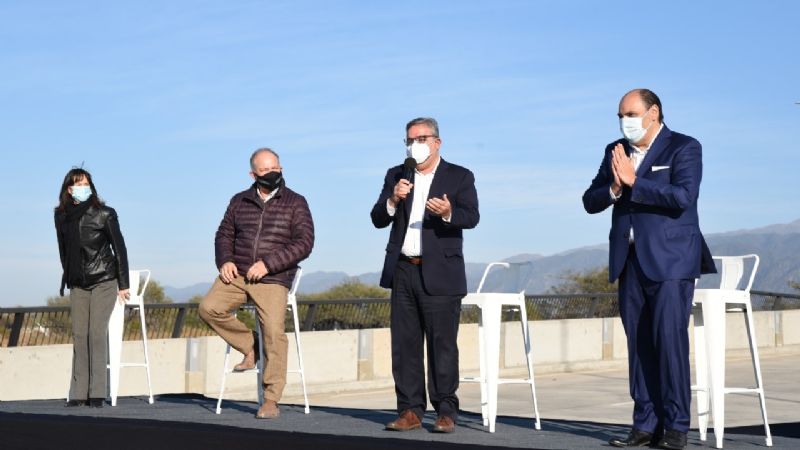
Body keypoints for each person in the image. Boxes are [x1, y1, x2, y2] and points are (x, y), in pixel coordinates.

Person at [583, 89, 716, 450]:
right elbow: (589, 200)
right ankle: (644, 425)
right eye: (620, 115)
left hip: (671, 262)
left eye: (630, 113)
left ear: (653, 112)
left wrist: (634, 183)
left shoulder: (684, 147)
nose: (624, 120)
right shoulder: (616, 150)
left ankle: (675, 428)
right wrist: (613, 186)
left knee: (669, 345)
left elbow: (683, 196)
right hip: (629, 263)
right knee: (639, 347)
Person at [371, 117, 479, 433]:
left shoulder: (459, 176)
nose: (414, 145)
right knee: (404, 346)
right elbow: (378, 218)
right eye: (409, 140)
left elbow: (471, 217)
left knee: (442, 346)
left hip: (441, 273)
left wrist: (447, 213)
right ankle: (409, 410)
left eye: (420, 138)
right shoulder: (396, 175)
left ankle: (446, 411)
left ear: (436, 142)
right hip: (403, 269)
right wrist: (393, 200)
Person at [198, 148, 314, 419]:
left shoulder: (296, 202)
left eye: (276, 168)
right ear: (253, 174)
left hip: (273, 277)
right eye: (265, 170)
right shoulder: (239, 201)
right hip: (237, 274)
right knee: (208, 307)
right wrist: (225, 260)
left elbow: (304, 243)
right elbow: (223, 234)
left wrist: (268, 264)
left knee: (273, 332)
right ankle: (251, 346)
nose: (272, 173)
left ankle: (271, 399)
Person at [55, 168, 130, 408]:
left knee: (96, 334)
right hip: (78, 282)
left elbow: (120, 250)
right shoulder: (61, 216)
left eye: (86, 183)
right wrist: (69, 276)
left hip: (104, 280)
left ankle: (97, 392)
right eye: (78, 184)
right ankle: (78, 392)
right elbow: (63, 250)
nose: (83, 187)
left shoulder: (105, 214)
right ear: (69, 189)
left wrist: (123, 284)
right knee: (79, 335)